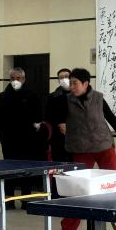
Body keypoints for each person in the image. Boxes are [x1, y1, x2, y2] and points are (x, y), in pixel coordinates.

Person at [57, 68, 116, 230]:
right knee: (77, 190)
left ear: (85, 84)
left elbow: (112, 118)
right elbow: (54, 115)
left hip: (104, 146)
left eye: (75, 83)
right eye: (70, 83)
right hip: (81, 149)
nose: (72, 86)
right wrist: (60, 123)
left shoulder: (98, 98)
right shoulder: (65, 100)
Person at [0, 67, 45, 207]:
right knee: (9, 171)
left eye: (18, 78)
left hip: (27, 139)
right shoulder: (3, 96)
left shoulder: (32, 95)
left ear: (24, 79)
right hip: (8, 140)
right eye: (12, 78)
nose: (15, 81)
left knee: (26, 170)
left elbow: (39, 116)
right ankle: (9, 201)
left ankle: (26, 200)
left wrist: (35, 133)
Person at [46, 68, 72, 199]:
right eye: (61, 77)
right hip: (57, 138)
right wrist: (59, 124)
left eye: (66, 76)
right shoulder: (52, 97)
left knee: (72, 168)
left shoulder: (77, 95)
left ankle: (72, 193)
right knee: (57, 167)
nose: (64, 79)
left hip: (75, 138)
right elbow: (48, 116)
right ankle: (56, 193)